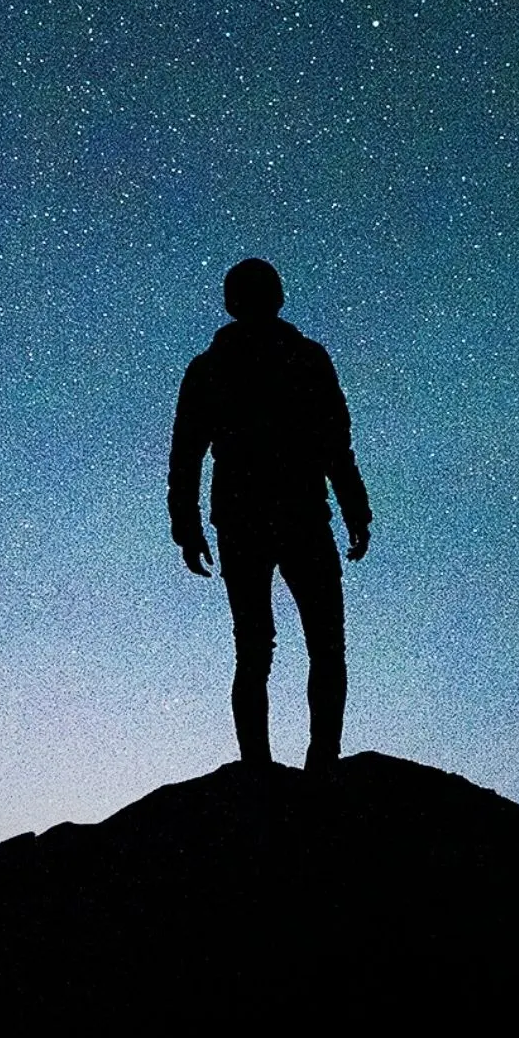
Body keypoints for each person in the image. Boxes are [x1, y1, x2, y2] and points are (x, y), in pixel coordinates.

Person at [168, 258, 372, 769]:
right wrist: (355, 507)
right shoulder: (303, 359)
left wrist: (186, 523)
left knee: (262, 648)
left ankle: (273, 765)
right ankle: (313, 762)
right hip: (291, 515)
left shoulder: (214, 367)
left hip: (254, 518)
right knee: (314, 646)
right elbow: (335, 445)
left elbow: (187, 455)